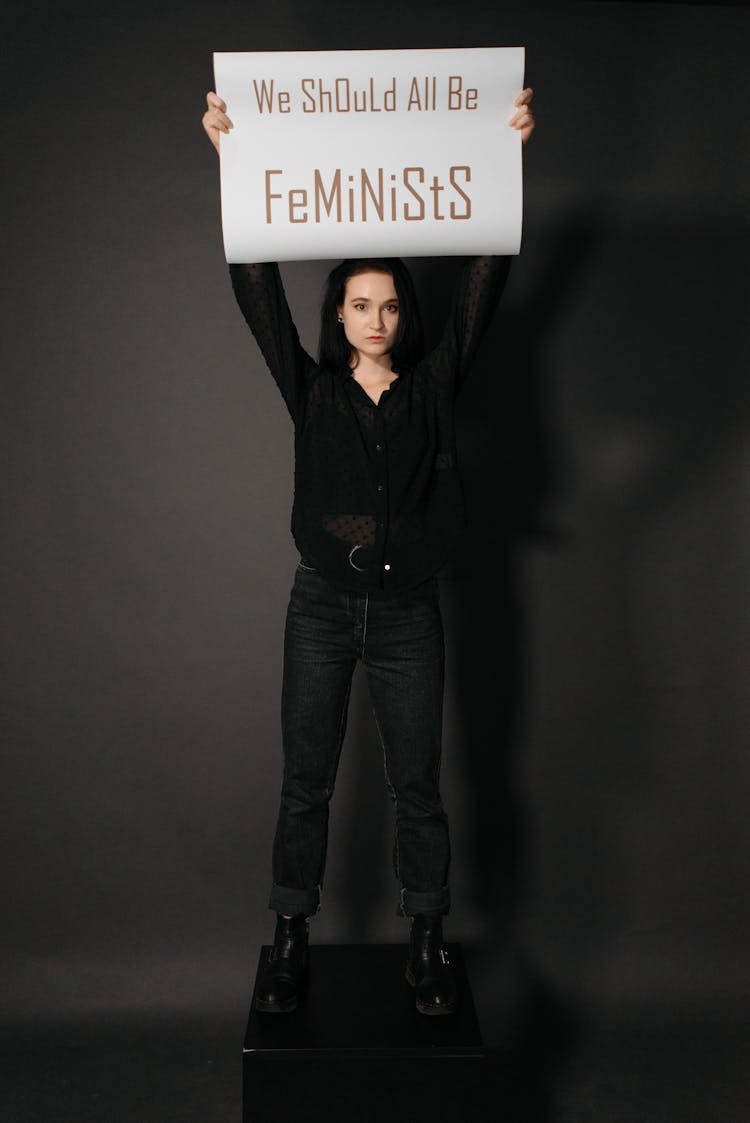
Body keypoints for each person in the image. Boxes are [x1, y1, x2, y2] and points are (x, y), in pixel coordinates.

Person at [202, 85, 535, 1016]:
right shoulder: (310, 394)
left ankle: (427, 936)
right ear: (339, 316)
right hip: (318, 607)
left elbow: (486, 278)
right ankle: (289, 935)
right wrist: (235, 160)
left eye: (390, 304)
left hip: (408, 615)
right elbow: (254, 285)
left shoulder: (434, 388)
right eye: (360, 303)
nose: (377, 317)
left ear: (402, 316)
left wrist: (510, 156)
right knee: (305, 782)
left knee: (418, 784)